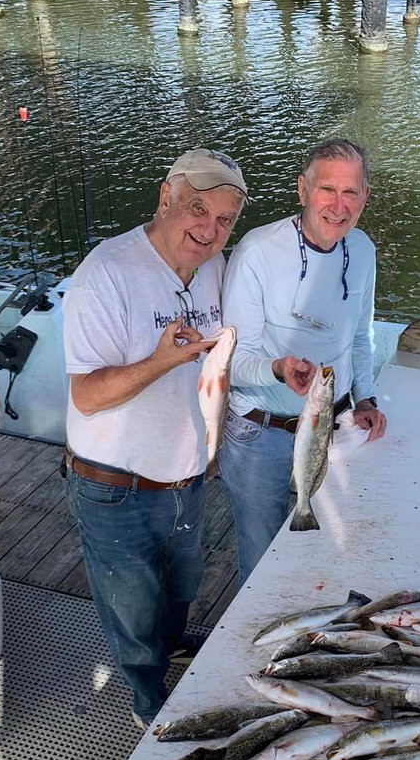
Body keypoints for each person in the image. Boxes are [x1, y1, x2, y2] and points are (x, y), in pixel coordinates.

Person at [62, 148, 246, 728]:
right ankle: (149, 704)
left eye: (223, 221)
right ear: (166, 196)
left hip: (187, 478)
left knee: (182, 585)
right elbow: (87, 396)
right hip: (115, 487)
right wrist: (160, 362)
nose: (208, 230)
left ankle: (168, 646)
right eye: (197, 209)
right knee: (133, 609)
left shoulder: (214, 267)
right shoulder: (107, 272)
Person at [220, 138, 388, 585]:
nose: (338, 206)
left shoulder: (364, 251)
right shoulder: (257, 252)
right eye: (326, 190)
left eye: (351, 192)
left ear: (365, 197)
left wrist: (366, 398)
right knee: (260, 564)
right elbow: (231, 362)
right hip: (261, 431)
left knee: (328, 553)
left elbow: (361, 337)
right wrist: (277, 369)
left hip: (331, 426)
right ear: (302, 190)